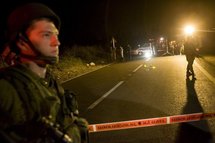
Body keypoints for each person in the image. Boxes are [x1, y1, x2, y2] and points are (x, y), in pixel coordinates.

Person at [0, 3, 89, 143]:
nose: (57, 42)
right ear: (21, 42)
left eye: (56, 35)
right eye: (46, 35)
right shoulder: (8, 88)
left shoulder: (50, 82)